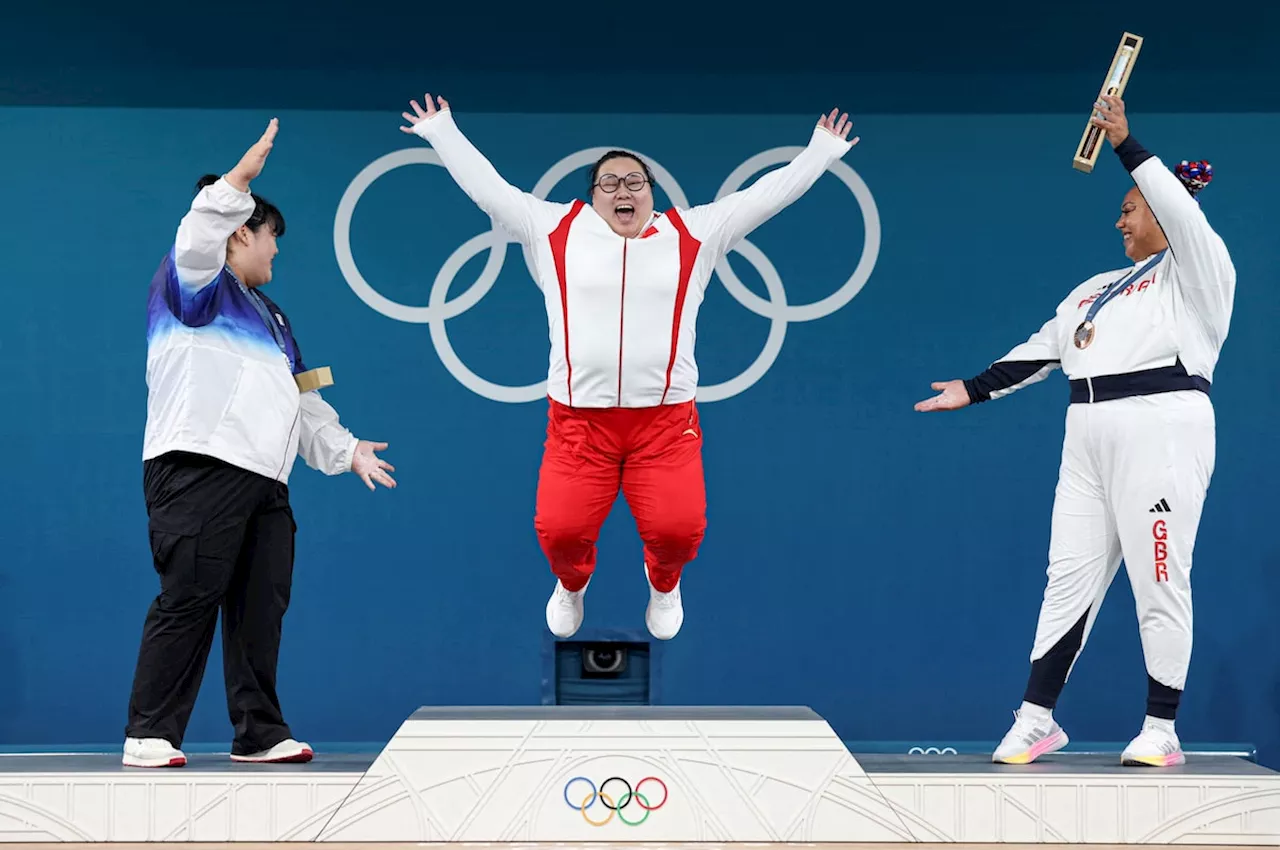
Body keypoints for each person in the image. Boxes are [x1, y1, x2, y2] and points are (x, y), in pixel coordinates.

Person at [400, 93, 857, 641]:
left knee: (679, 531)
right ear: (592, 196)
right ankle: (572, 585)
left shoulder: (693, 234)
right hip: (579, 424)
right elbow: (489, 189)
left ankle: (664, 584)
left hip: (664, 425)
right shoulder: (552, 230)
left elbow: (766, 196)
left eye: (635, 181)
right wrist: (442, 130)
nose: (624, 190)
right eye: (610, 182)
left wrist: (820, 153)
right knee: (560, 532)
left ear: (652, 194)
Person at [915, 94, 1234, 767]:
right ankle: (1036, 718)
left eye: (1131, 207)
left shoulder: (1199, 271)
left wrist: (1126, 144)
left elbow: (1180, 209)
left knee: (1158, 575)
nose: (1119, 217)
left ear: (1164, 209)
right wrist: (972, 389)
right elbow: (1044, 347)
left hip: (1163, 425)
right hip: (1086, 433)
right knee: (1068, 575)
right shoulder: (1096, 287)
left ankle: (1162, 728)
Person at [123, 119, 397, 768]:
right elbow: (197, 239)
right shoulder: (192, 283)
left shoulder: (274, 317)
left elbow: (304, 400)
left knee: (259, 609)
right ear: (241, 231)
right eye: (272, 238)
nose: (277, 253)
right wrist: (235, 184)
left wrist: (346, 448)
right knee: (190, 595)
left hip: (265, 483)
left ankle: (258, 732)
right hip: (199, 466)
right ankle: (149, 732)